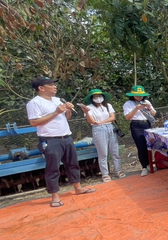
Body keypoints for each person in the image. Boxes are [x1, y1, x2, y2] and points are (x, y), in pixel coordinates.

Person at [26, 77, 96, 207]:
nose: (54, 86)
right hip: (50, 139)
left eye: (54, 84)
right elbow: (34, 122)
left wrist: (67, 110)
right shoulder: (34, 103)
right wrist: (56, 112)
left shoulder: (58, 100)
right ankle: (55, 196)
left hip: (66, 137)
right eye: (50, 85)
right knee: (53, 168)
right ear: (41, 88)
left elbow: (66, 118)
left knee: (73, 164)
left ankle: (78, 188)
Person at [82, 88, 124, 182]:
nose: (98, 98)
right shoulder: (89, 108)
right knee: (103, 153)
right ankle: (105, 174)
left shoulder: (108, 106)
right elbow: (91, 121)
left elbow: (112, 117)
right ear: (92, 98)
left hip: (110, 127)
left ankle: (118, 170)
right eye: (95, 96)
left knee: (115, 151)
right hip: (98, 130)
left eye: (100, 96)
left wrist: (101, 122)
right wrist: (86, 113)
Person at [123, 85, 157, 177]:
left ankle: (150, 164)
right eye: (137, 95)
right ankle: (144, 167)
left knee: (149, 145)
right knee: (141, 146)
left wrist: (149, 107)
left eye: (141, 95)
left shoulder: (146, 101)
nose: (140, 97)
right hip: (136, 125)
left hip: (147, 124)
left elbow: (153, 114)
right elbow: (128, 117)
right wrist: (136, 108)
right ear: (133, 95)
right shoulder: (128, 104)